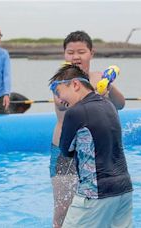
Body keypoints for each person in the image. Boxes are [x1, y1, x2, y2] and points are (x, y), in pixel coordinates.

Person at [50, 31, 126, 227]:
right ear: (64, 54)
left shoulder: (100, 78)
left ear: (91, 53)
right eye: (70, 52)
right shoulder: (62, 82)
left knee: (100, 207)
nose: (75, 57)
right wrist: (93, 93)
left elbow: (120, 104)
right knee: (63, 208)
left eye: (81, 52)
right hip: (65, 153)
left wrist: (108, 89)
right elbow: (62, 105)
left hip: (97, 155)